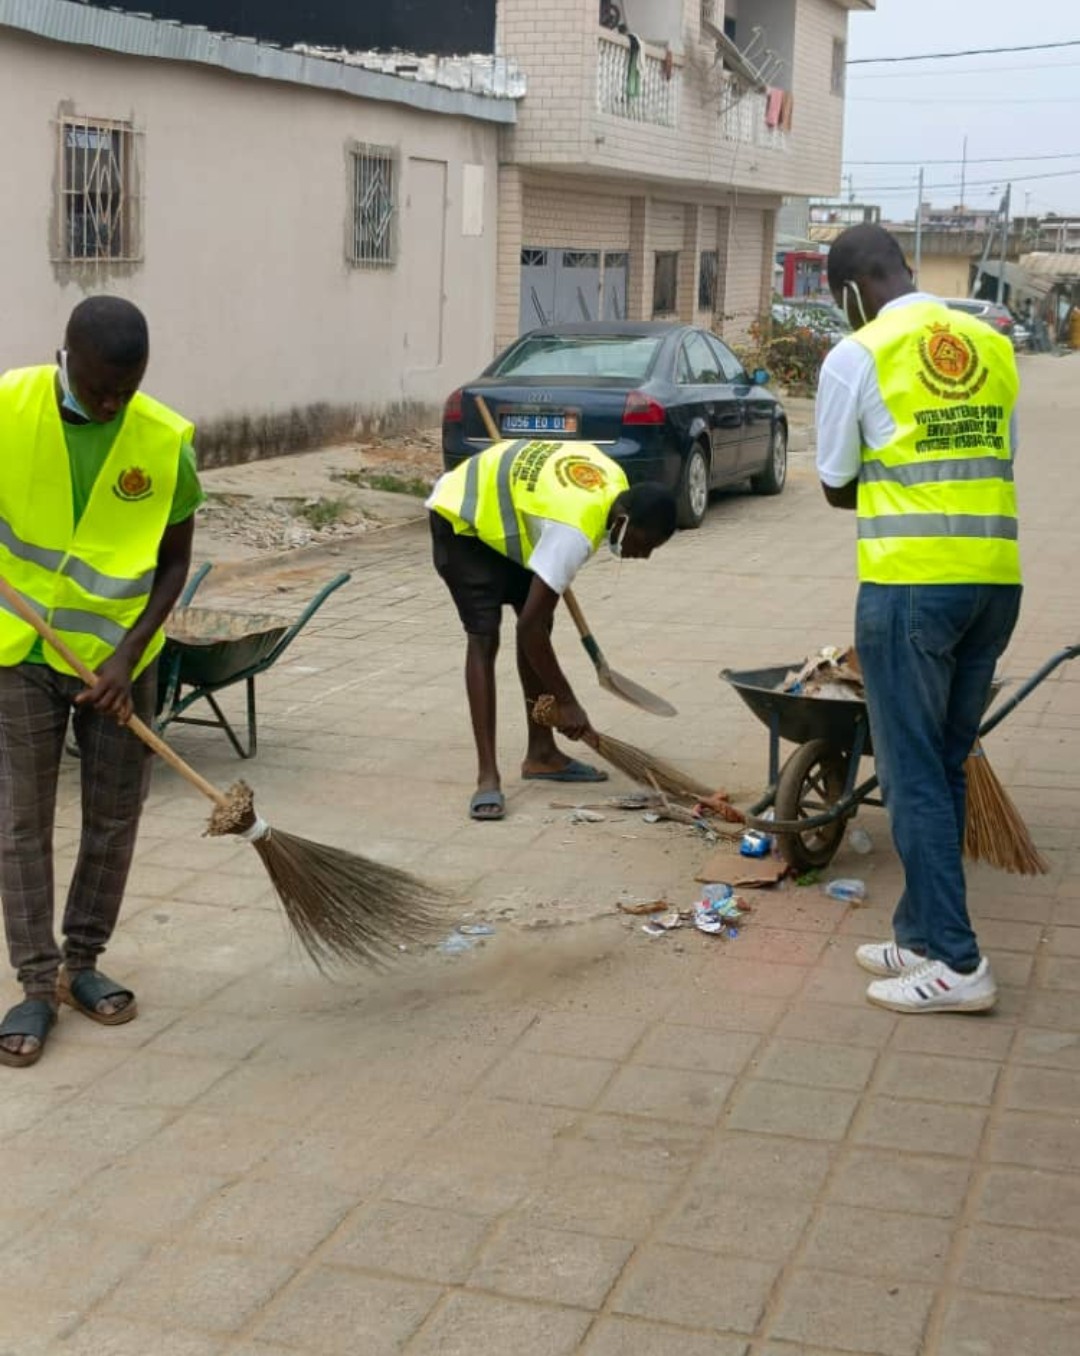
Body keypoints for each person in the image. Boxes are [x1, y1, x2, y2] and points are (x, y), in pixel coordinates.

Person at [815, 223, 1022, 1015]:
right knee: (947, 763)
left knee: (911, 779)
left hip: (910, 588)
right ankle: (924, 935)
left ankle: (960, 965)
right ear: (906, 267)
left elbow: (838, 486)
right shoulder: (989, 345)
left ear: (845, 292)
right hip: (995, 581)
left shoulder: (857, 354)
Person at [0, 297, 203, 1067]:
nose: (114, 403)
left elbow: (174, 561)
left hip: (123, 662)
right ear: (67, 357)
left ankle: (83, 961)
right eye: (100, 388)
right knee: (22, 818)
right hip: (19, 649)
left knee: (115, 816)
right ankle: (34, 980)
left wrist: (128, 656)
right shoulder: (7, 406)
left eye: (128, 386)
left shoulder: (165, 438)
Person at [428, 438, 677, 820]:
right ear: (624, 521)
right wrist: (567, 700)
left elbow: (534, 626)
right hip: (462, 520)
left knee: (538, 618)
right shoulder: (573, 532)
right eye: (645, 543)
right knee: (485, 637)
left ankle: (542, 754)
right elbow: (529, 632)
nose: (643, 555)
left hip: (509, 515)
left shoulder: (613, 484)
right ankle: (487, 776)